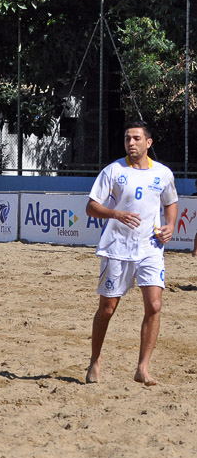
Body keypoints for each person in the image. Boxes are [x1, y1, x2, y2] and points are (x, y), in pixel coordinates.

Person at [84, 120, 178, 386]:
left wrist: (169, 226)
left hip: (151, 248)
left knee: (155, 305)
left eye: (136, 138)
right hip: (117, 248)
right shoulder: (113, 171)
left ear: (148, 142)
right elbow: (91, 207)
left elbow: (171, 202)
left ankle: (143, 368)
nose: (131, 143)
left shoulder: (163, 173)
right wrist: (115, 213)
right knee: (107, 307)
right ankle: (95, 360)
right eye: (127, 139)